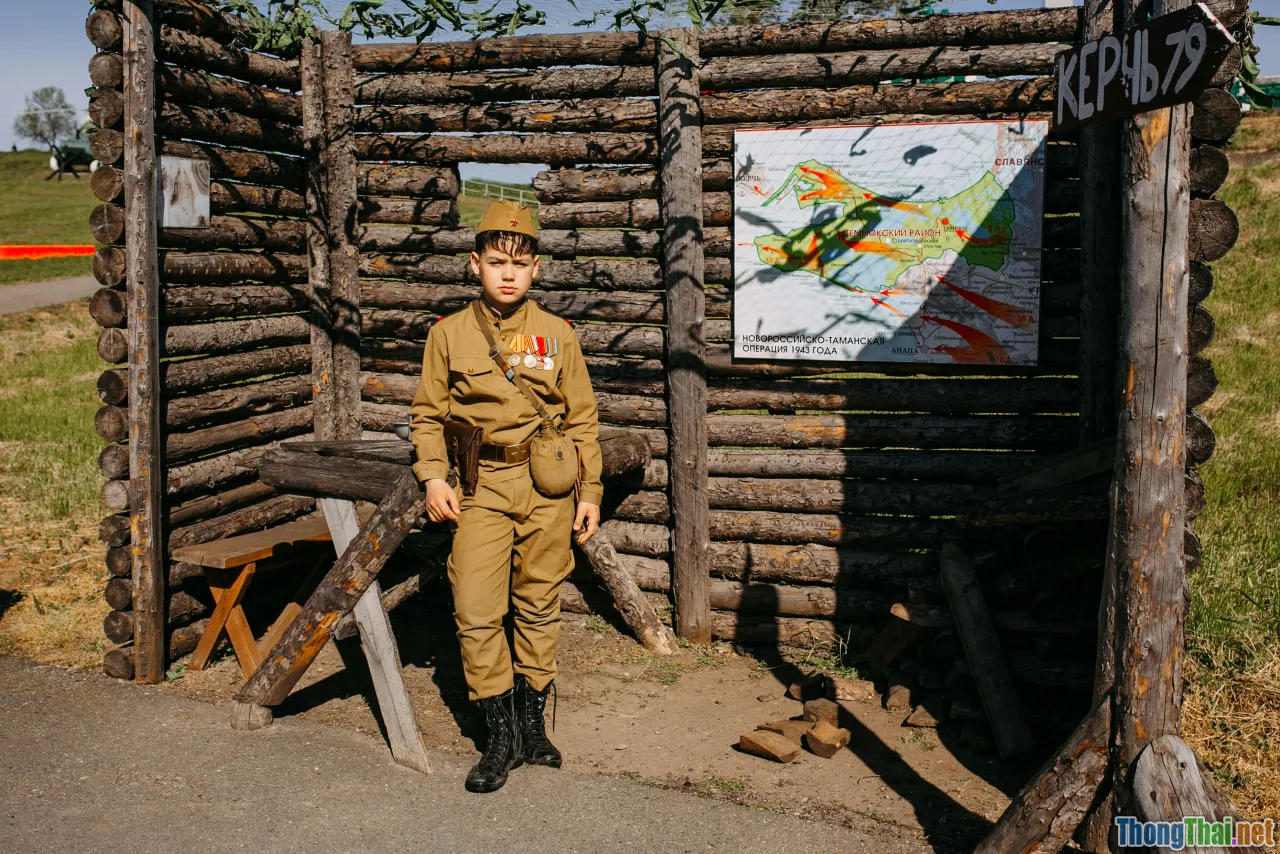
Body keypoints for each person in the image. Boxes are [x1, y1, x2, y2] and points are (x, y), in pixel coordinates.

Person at [408, 199, 603, 793]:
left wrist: (589, 490)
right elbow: (425, 414)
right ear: (475, 266)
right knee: (474, 607)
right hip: (481, 486)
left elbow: (583, 419)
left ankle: (532, 725)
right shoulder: (448, 336)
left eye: (519, 264)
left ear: (536, 269)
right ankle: (498, 733)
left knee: (540, 602)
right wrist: (433, 476)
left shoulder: (558, 336)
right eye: (496, 263)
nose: (508, 274)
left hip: (547, 488)